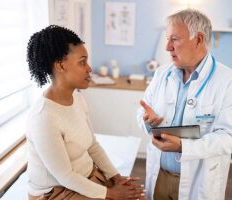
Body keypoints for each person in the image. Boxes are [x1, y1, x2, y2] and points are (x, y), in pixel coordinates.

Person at [137, 9, 232, 200]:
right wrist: (147, 120)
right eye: (167, 39)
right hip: (159, 174)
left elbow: (230, 138)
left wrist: (183, 147)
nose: (167, 47)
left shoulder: (231, 82)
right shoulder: (162, 74)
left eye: (174, 39)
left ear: (198, 39)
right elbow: (142, 111)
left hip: (199, 180)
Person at [26, 25, 145, 200]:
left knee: (137, 197)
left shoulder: (78, 98)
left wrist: (116, 178)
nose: (89, 68)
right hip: (57, 191)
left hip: (85, 177)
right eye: (82, 62)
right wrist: (111, 193)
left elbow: (92, 145)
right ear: (60, 65)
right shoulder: (43, 117)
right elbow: (65, 176)